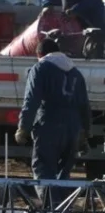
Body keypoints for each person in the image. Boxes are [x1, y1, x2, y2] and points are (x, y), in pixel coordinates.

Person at [16, 37, 91, 194]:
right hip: (73, 129)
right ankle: (61, 209)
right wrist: (85, 133)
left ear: (40, 54)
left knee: (44, 169)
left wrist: (23, 128)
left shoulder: (40, 68)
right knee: (63, 174)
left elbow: (31, 101)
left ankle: (49, 210)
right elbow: (84, 106)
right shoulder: (76, 73)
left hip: (49, 125)